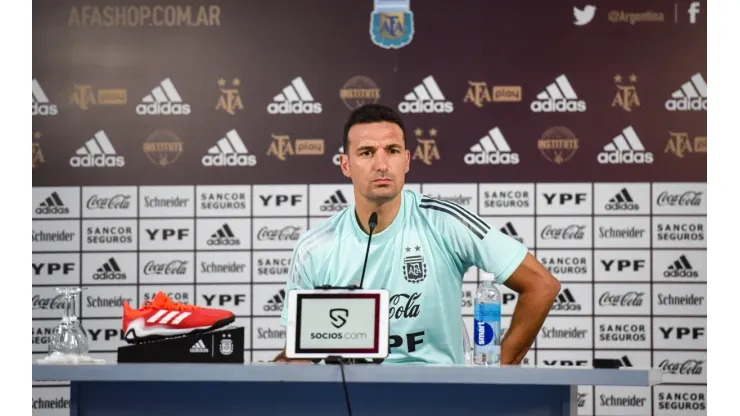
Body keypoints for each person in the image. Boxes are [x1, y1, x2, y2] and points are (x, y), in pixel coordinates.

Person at [274, 103, 560, 365]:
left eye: (393, 150)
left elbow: (541, 284)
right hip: (354, 398)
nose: (381, 164)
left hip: (441, 397)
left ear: (407, 160)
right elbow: (301, 352)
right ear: (345, 165)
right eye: (366, 152)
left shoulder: (444, 222)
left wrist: (498, 372)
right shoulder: (315, 247)